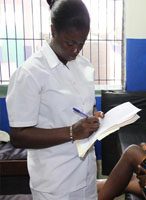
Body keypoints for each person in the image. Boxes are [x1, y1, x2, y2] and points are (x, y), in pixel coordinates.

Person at [6, 0, 103, 199]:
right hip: (55, 181)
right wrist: (71, 132)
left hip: (86, 174)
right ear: (53, 31)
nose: (76, 50)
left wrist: (94, 116)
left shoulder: (84, 66)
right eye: (70, 43)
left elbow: (85, 107)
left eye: (82, 43)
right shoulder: (30, 73)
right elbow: (18, 135)